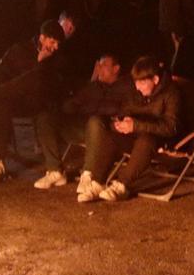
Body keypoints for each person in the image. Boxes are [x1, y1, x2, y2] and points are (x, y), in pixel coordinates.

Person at [0, 20, 68, 184]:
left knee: (34, 78)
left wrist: (40, 64)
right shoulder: (20, 50)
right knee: (3, 101)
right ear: (42, 38)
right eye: (52, 42)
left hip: (44, 102)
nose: (56, 47)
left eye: (58, 43)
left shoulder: (59, 58)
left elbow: (55, 86)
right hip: (20, 100)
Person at [76, 56, 180, 203]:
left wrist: (135, 125)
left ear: (155, 80)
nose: (137, 87)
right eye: (136, 82)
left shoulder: (171, 94)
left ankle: (121, 185)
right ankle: (98, 183)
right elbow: (124, 111)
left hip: (158, 141)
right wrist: (119, 124)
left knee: (146, 140)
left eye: (142, 82)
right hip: (134, 136)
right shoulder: (136, 92)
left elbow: (171, 127)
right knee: (110, 136)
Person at [36, 52, 134, 191]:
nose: (99, 69)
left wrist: (97, 109)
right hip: (85, 128)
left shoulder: (127, 87)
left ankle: (88, 174)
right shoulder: (94, 87)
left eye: (104, 65)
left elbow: (125, 110)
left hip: (108, 131)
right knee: (46, 118)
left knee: (94, 120)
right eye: (99, 65)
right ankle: (55, 170)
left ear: (116, 68)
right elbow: (72, 104)